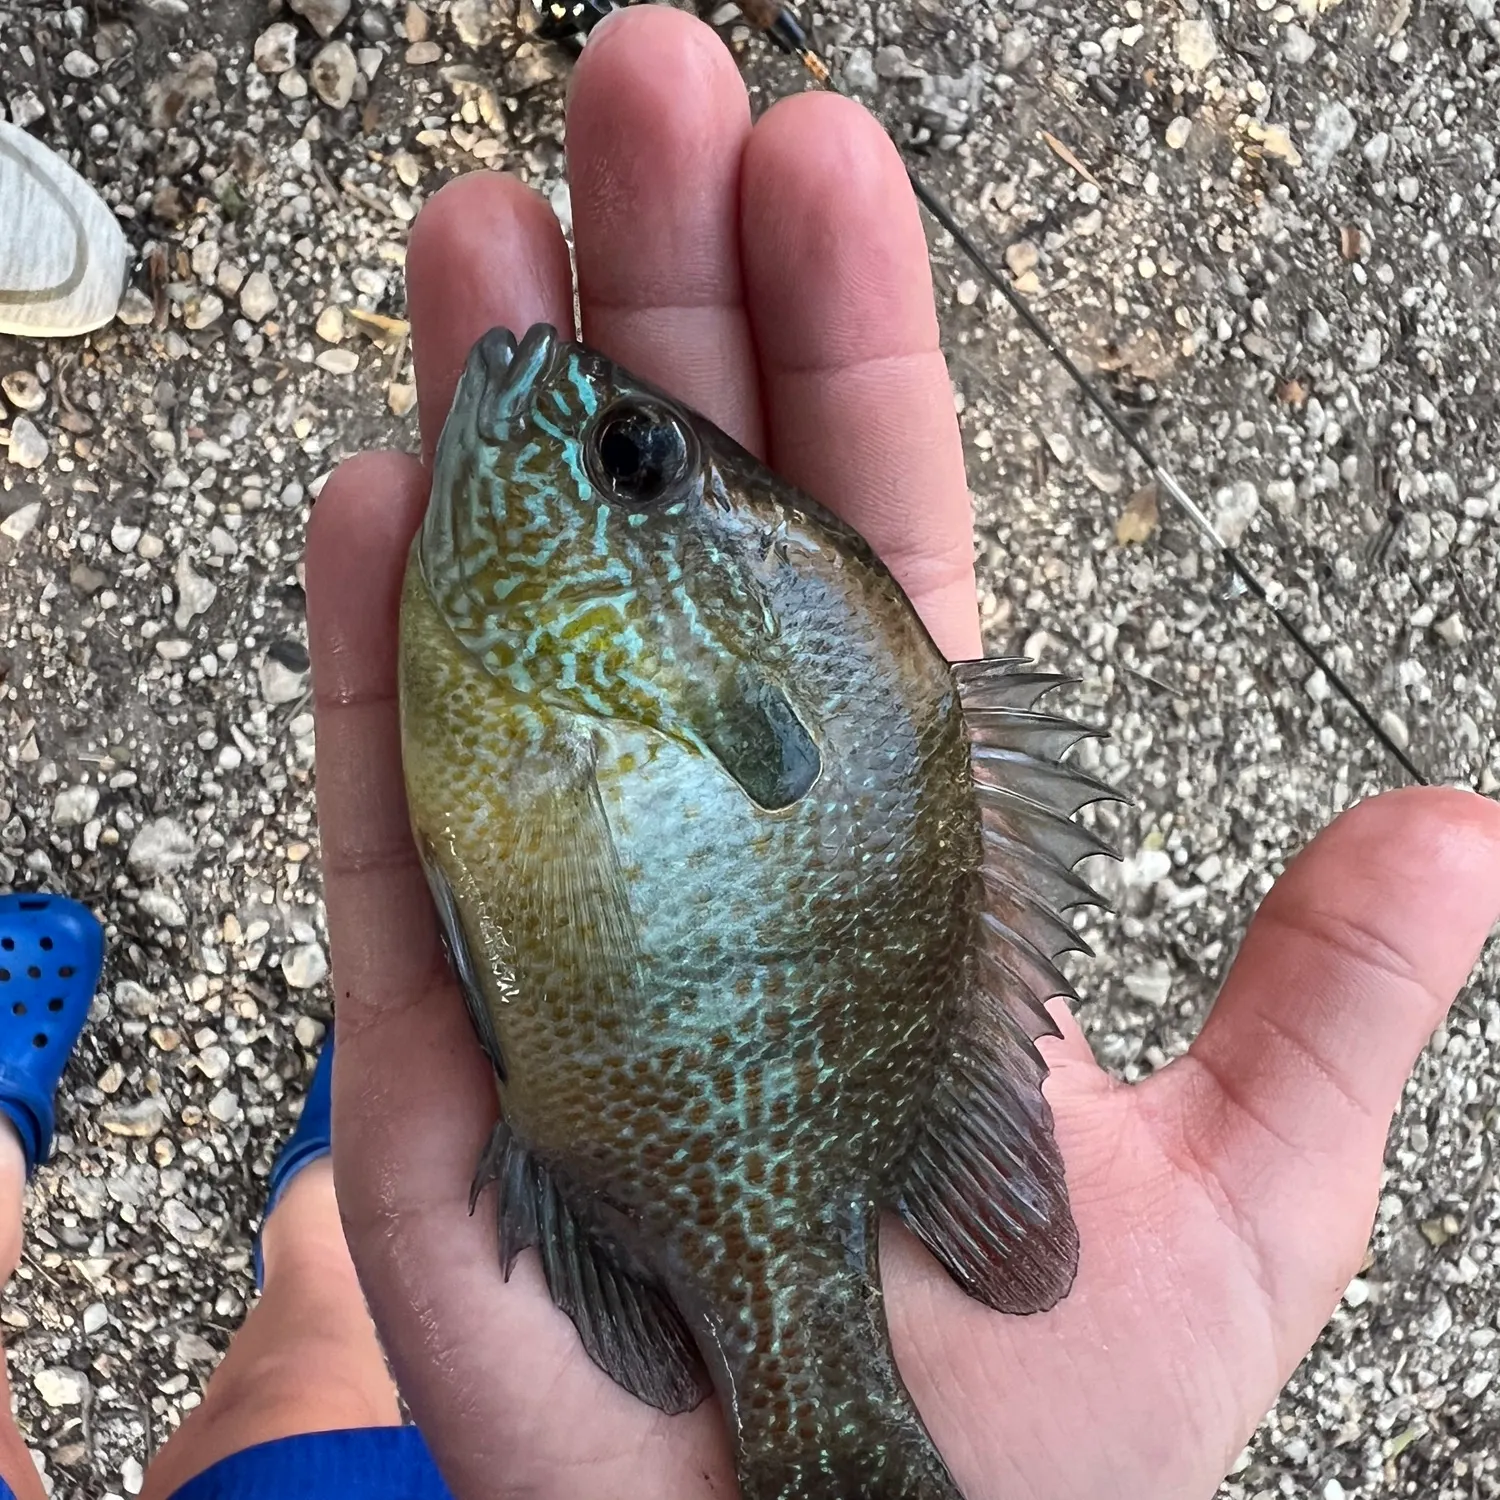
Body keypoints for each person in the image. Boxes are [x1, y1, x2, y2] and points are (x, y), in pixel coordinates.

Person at [0, 8, 1496, 1499]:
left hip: (596, 1114)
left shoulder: (576, 670)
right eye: (641, 455)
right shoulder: (608, 675)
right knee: (327, 1319)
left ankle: (312, 1243)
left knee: (331, 1297)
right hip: (604, 1108)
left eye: (630, 462)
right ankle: (323, 1247)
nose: (571, 409)